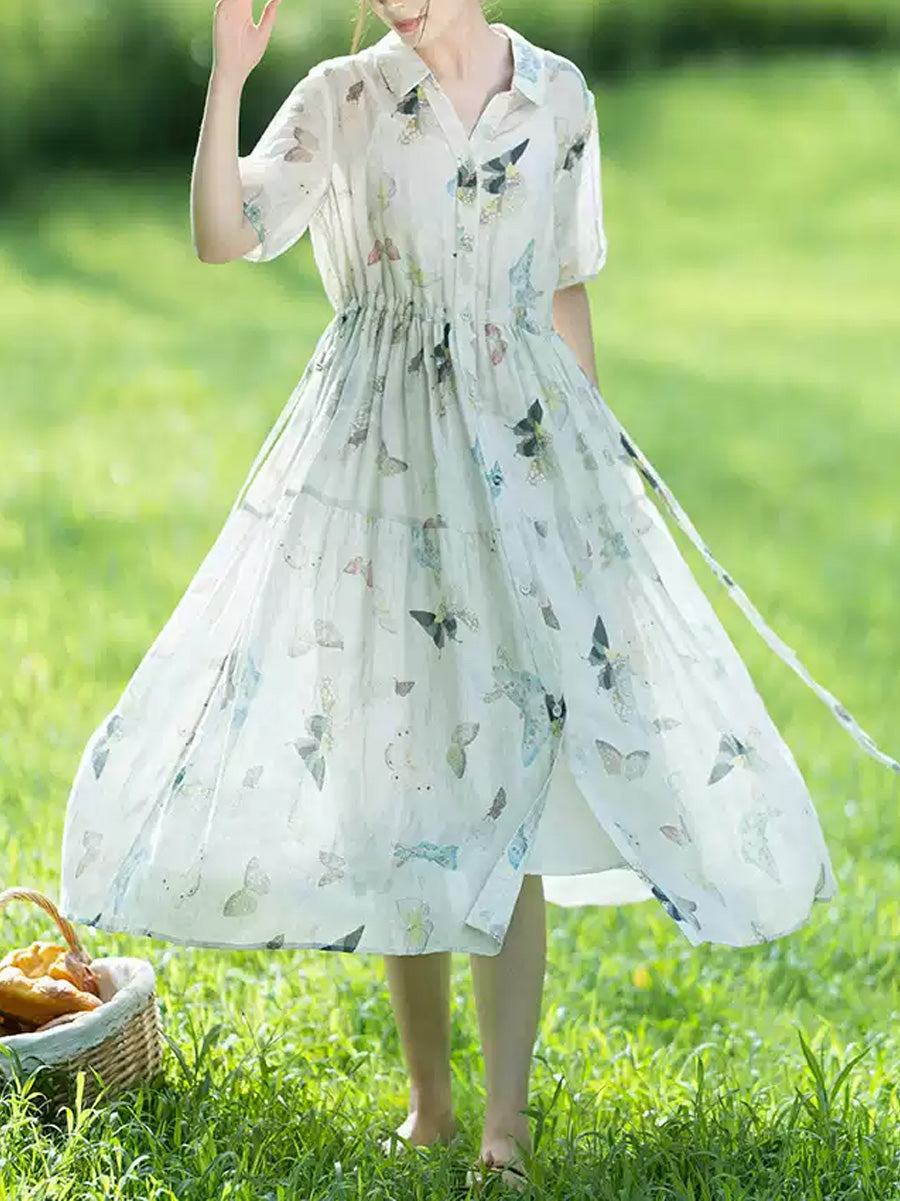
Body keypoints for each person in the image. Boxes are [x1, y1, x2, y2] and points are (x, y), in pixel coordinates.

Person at [58, 0, 900, 1187]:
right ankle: (430, 1107)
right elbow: (219, 233)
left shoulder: (556, 97)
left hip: (523, 464)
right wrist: (230, 74)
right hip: (381, 473)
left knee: (519, 782)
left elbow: (564, 286)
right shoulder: (346, 95)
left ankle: (506, 1125)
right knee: (402, 781)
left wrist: (592, 491)